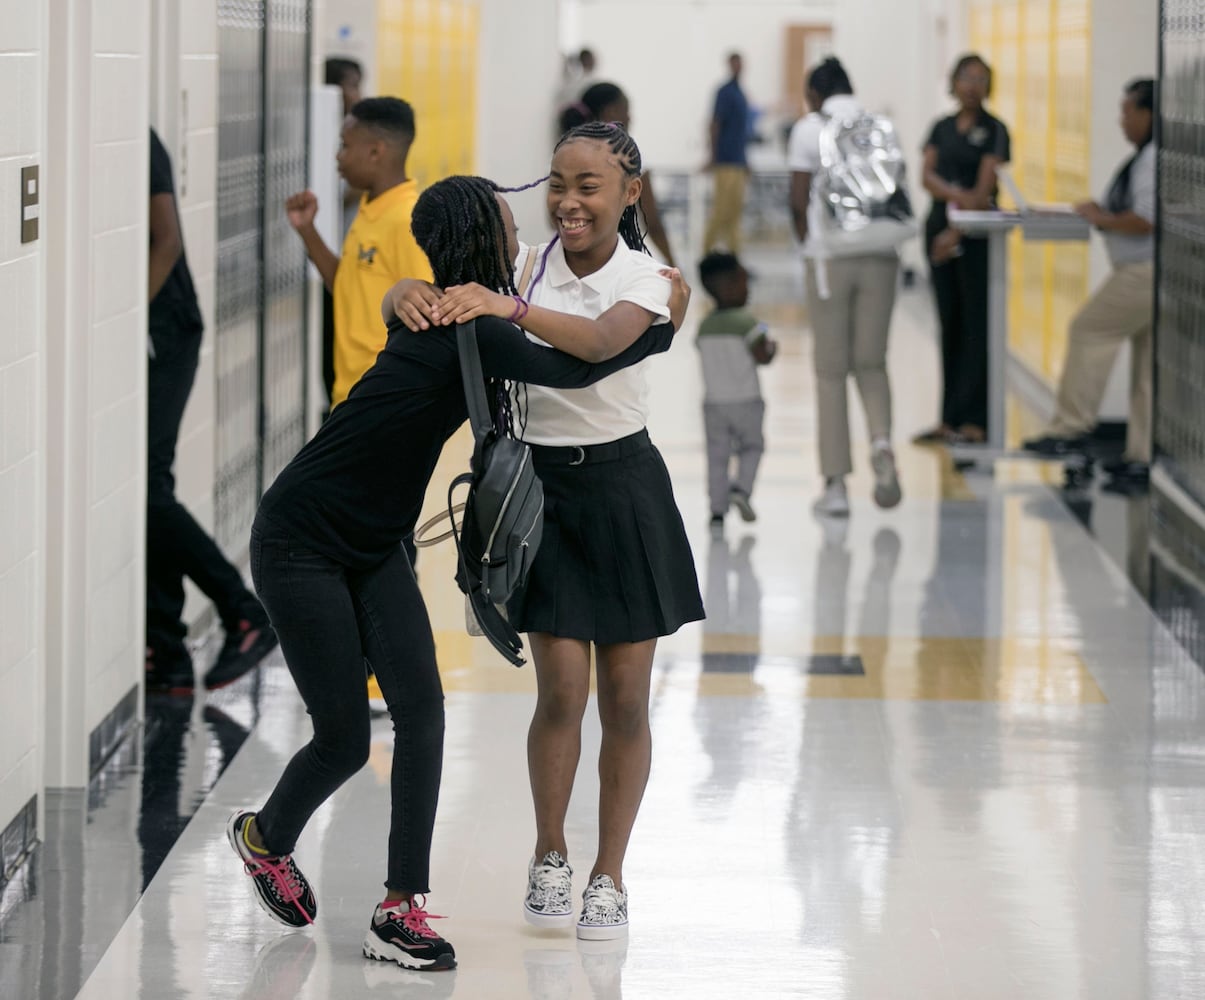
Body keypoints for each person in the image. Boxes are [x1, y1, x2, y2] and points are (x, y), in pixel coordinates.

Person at [226, 174, 689, 972]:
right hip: (300, 541)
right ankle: (264, 837)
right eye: (508, 228)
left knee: (422, 714)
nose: (519, 241)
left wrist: (406, 291)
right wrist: (663, 320)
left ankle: (399, 910)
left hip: (374, 544)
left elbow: (423, 309)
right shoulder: (468, 327)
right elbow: (583, 368)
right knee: (340, 738)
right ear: (484, 244)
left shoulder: (447, 313)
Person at [394, 121, 706, 942]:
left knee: (628, 701)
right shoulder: (525, 263)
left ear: (629, 193)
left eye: (589, 187)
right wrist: (403, 294)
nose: (569, 202)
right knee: (561, 692)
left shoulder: (649, 279)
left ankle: (610, 874)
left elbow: (603, 343)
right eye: (557, 184)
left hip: (624, 491)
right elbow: (441, 281)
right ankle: (549, 854)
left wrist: (512, 307)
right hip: (543, 497)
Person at [145, 129, 277, 694]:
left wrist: (125, 318)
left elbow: (166, 241)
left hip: (165, 329)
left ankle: (241, 609)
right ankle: (168, 653)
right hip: (146, 335)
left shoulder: (137, 139)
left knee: (146, 489)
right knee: (150, 491)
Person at [1021, 79, 1156, 491]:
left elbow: (1146, 220)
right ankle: (1142, 457)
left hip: (1144, 272)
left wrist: (1101, 219)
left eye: (1127, 111)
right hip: (1151, 273)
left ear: (1149, 113)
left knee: (1088, 330)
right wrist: (1100, 212)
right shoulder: (1150, 156)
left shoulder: (1152, 158)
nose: (1122, 120)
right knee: (1147, 368)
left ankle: (1071, 428)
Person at [787, 57, 902, 517]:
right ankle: (882, 442)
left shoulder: (808, 129)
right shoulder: (879, 125)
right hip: (882, 254)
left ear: (814, 95)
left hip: (831, 260)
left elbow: (797, 200)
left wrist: (809, 248)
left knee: (831, 371)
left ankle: (835, 487)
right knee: (872, 362)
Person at [286, 96, 434, 409]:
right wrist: (307, 231)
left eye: (344, 146)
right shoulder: (370, 210)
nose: (338, 157)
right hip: (351, 395)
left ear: (375, 151)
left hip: (381, 400)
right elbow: (346, 286)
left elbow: (427, 320)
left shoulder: (407, 220)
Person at [914, 54, 1010, 445]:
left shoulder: (995, 130)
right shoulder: (941, 127)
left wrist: (957, 227)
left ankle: (975, 420)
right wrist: (953, 201)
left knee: (975, 326)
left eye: (980, 79)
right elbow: (926, 176)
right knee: (948, 323)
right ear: (953, 82)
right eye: (966, 77)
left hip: (975, 234)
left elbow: (984, 190)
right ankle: (947, 418)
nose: (972, 85)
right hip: (938, 230)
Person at [696, 251, 775, 539]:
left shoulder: (705, 325)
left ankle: (717, 511)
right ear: (729, 286)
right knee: (751, 447)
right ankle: (741, 489)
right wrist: (770, 344)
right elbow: (763, 356)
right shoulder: (747, 322)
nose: (748, 290)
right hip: (747, 401)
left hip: (714, 404)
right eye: (744, 284)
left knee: (716, 456)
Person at [557, 81, 677, 266]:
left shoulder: (564, 157)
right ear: (611, 112)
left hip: (568, 258)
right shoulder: (631, 160)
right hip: (618, 261)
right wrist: (672, 263)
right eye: (626, 110)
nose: (630, 117)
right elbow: (652, 222)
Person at [319, 56, 365, 403]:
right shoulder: (323, 134)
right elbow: (333, 196)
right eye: (351, 84)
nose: (356, 94)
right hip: (332, 253)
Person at [703, 52, 751, 254]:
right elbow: (715, 124)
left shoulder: (741, 93)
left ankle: (734, 256)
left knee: (734, 213)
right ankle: (706, 251)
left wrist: (746, 160)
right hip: (725, 161)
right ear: (729, 65)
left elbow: (742, 131)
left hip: (738, 161)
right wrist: (713, 156)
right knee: (721, 211)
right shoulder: (725, 92)